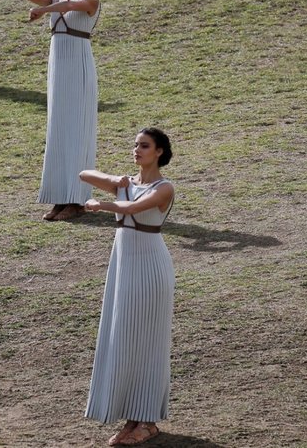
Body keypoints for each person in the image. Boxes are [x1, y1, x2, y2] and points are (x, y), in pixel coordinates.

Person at [81, 128, 175, 446]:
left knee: (147, 342)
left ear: (159, 152)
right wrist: (115, 181)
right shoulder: (127, 184)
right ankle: (131, 418)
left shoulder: (164, 188)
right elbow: (84, 173)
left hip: (150, 270)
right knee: (124, 338)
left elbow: (132, 210)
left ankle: (147, 421)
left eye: (144, 146)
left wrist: (101, 206)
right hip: (124, 267)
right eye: (135, 145)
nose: (137, 150)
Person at [23, 0, 100, 221]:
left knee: (76, 130)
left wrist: (44, 9)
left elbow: (70, 7)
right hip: (58, 68)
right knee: (58, 130)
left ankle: (76, 200)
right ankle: (59, 198)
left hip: (78, 68)